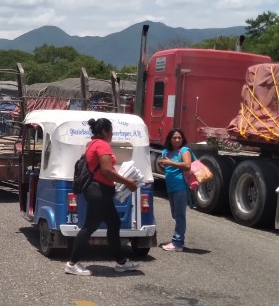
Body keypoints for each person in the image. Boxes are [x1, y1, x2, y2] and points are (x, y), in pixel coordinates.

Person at [65, 117, 139, 276]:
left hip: (99, 190)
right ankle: (72, 263)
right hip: (99, 191)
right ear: (105, 131)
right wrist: (128, 182)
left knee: (114, 223)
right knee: (89, 227)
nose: (112, 134)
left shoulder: (92, 143)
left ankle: (121, 262)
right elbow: (106, 170)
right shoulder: (102, 145)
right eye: (111, 131)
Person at [156, 128, 192, 251]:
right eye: (174, 138)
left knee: (180, 215)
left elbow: (187, 165)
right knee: (175, 214)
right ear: (170, 140)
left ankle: (178, 243)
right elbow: (166, 169)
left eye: (179, 138)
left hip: (180, 186)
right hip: (171, 187)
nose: (177, 140)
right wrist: (162, 164)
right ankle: (177, 239)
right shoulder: (166, 152)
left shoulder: (184, 150)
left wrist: (169, 163)